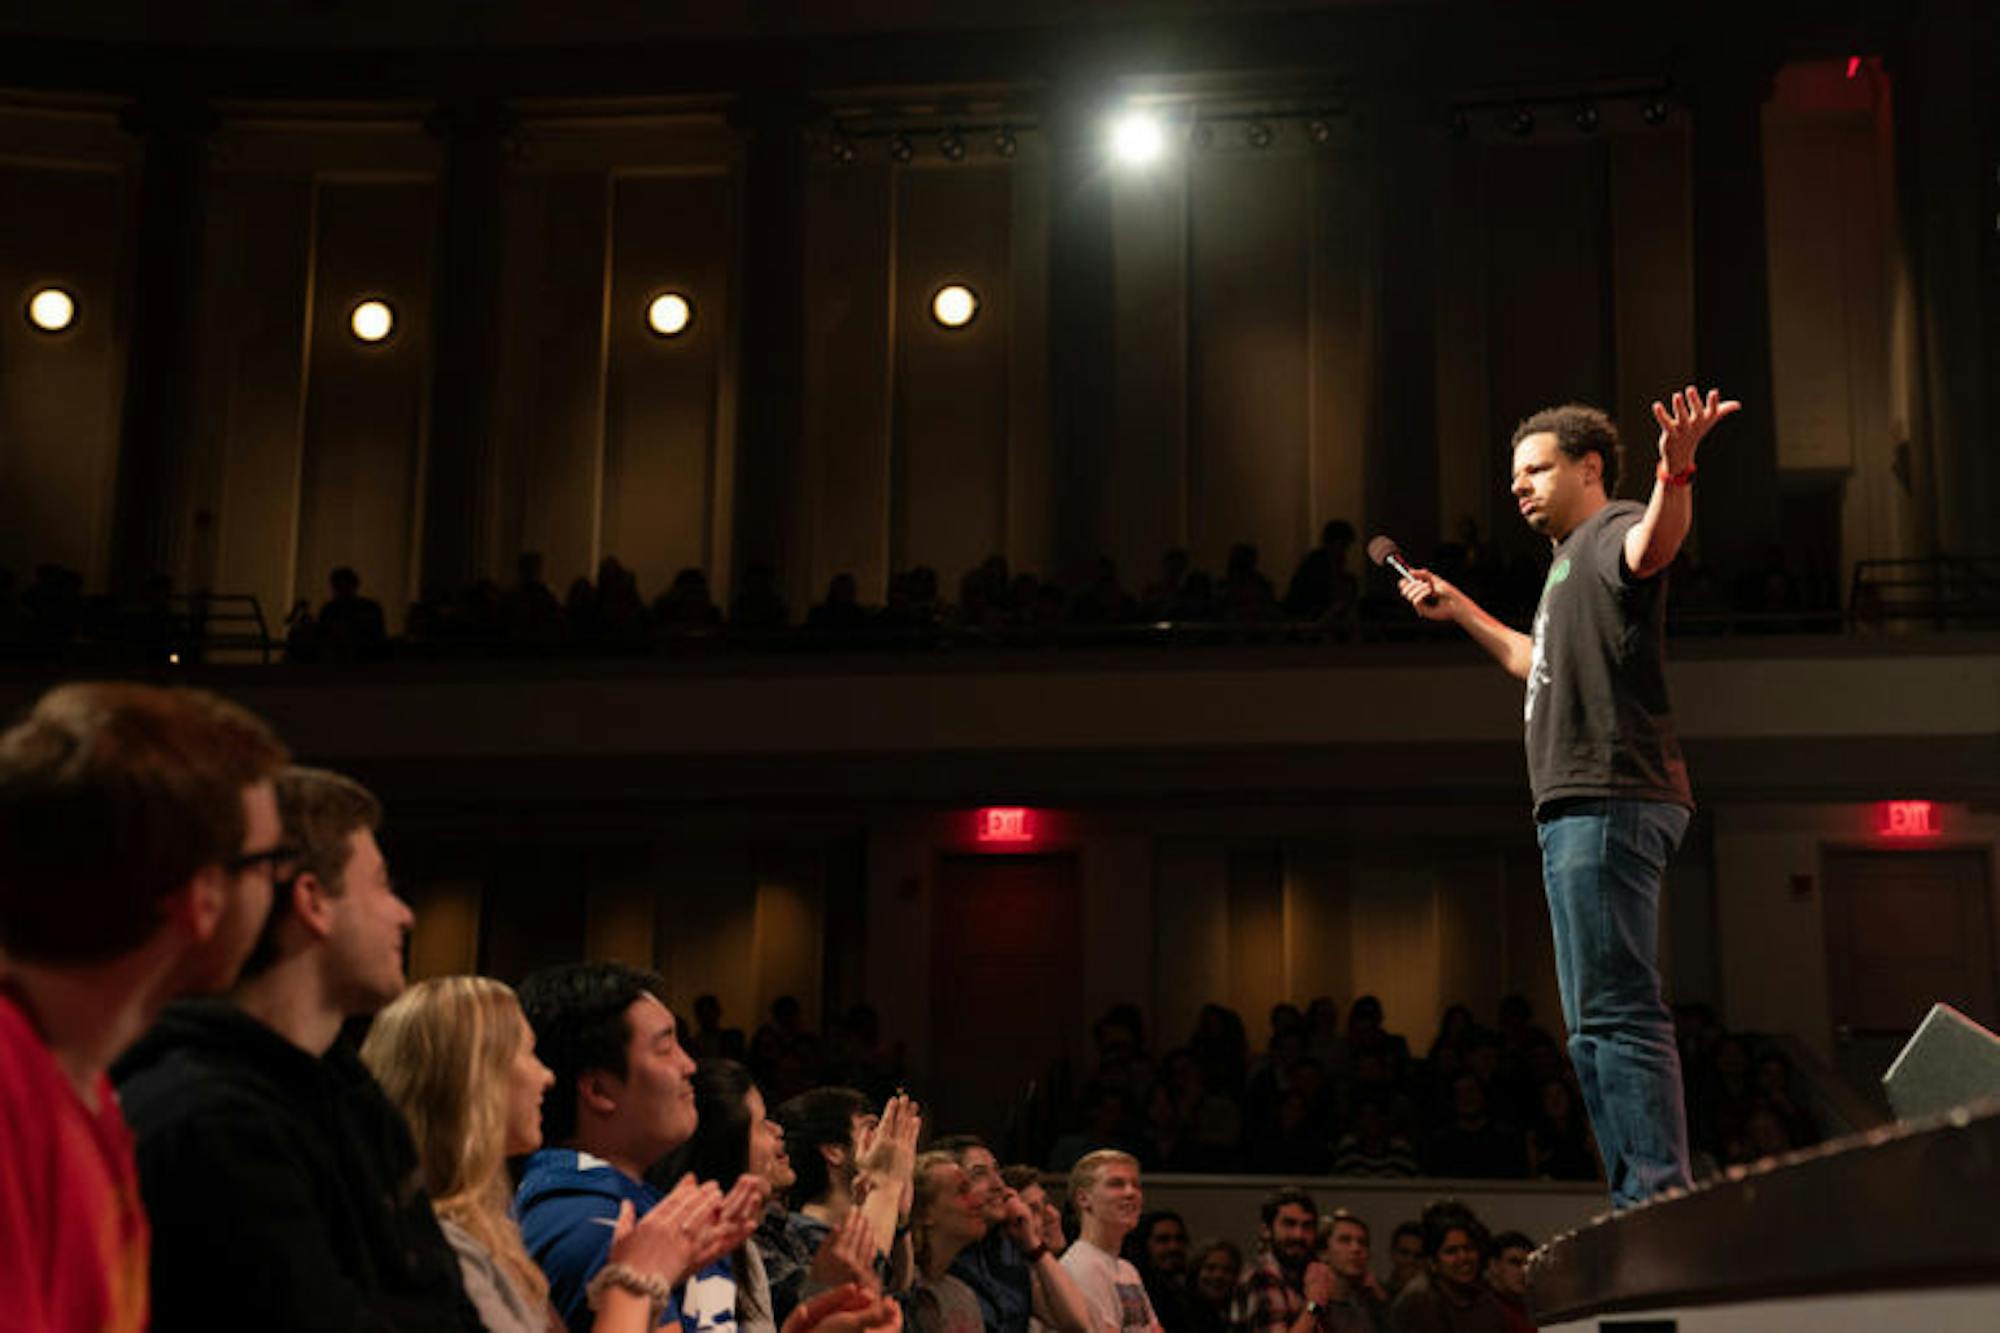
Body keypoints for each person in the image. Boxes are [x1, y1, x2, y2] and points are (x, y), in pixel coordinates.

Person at [1394, 388, 1738, 1207]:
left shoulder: (1613, 528)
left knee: (1617, 1012)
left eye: (1536, 469)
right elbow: (1531, 660)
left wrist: (1676, 468)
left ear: (1589, 469)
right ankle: (1639, 1194)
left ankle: (1654, 1198)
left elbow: (1656, 545)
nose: (1518, 487)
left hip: (1609, 793)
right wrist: (1462, 609)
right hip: (1580, 803)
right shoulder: (1564, 566)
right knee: (1593, 1023)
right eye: (1514, 475)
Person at [115, 765, 473, 1328]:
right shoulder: (207, 1120)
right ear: (313, 901)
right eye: (381, 884)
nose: (404, 913)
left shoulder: (351, 1094)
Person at [0, 683, 288, 1331]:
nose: (282, 892)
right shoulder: (11, 1087)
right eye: (268, 863)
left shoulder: (87, 1083)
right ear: (201, 896)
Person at [365, 977, 763, 1333]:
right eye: (527, 1054)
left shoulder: (492, 1230)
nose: (547, 1076)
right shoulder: (441, 1248)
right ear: (475, 1082)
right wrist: (637, 1281)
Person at [514, 961, 768, 1332]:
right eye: (665, 1048)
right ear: (600, 1090)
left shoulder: (628, 1202)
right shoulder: (594, 1225)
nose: (689, 1065)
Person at [770, 1087, 923, 1318]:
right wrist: (886, 1181)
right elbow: (856, 1300)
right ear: (834, 1151)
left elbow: (899, 1303)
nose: (888, 1140)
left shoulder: (872, 1220)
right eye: (872, 1128)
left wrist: (900, 1223)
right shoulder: (801, 1233)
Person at [928, 1135, 1089, 1333]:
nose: (999, 1185)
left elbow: (1077, 1323)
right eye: (979, 1174)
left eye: (997, 1171)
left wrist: (1033, 1245)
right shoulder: (940, 1259)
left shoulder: (1007, 1248)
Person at [1061, 1150, 1161, 1333]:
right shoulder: (1081, 1266)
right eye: (1116, 1184)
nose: (1131, 1192)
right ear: (1084, 1198)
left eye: (1136, 1185)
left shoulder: (1127, 1269)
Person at [900, 1152, 995, 1333]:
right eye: (961, 1191)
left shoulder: (963, 1294)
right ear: (924, 1213)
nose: (978, 1202)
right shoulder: (899, 1289)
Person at [1231, 1186, 1339, 1333]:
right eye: (1289, 1224)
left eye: (1307, 1226)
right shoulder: (1261, 1277)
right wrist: (1315, 1303)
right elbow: (1314, 1308)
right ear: (1266, 1231)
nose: (1299, 1235)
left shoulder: (1308, 1274)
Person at [1387, 1207, 1507, 1333]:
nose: (1463, 1257)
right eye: (1451, 1251)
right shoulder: (1418, 1304)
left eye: (1469, 1248)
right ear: (1433, 1262)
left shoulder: (1488, 1304)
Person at [1318, 1211, 1387, 1333]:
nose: (1356, 1249)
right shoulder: (1312, 1305)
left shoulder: (1369, 1305)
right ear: (1324, 1252)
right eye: (1345, 1240)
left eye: (1363, 1243)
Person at [1482, 1233, 1535, 1333]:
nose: (1524, 1271)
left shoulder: (1525, 1308)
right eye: (1515, 1263)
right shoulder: (1485, 1310)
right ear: (1494, 1265)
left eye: (1528, 1264)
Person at [1185, 1240, 1242, 1333]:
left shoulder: (1240, 1315)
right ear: (1196, 1272)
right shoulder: (1180, 1313)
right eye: (1210, 1268)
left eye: (1227, 1270)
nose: (1218, 1276)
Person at [1381, 1226, 1424, 1304]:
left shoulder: (1429, 1297)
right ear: (1392, 1253)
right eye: (1404, 1253)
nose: (1410, 1260)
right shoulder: (1379, 1290)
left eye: (1418, 1256)